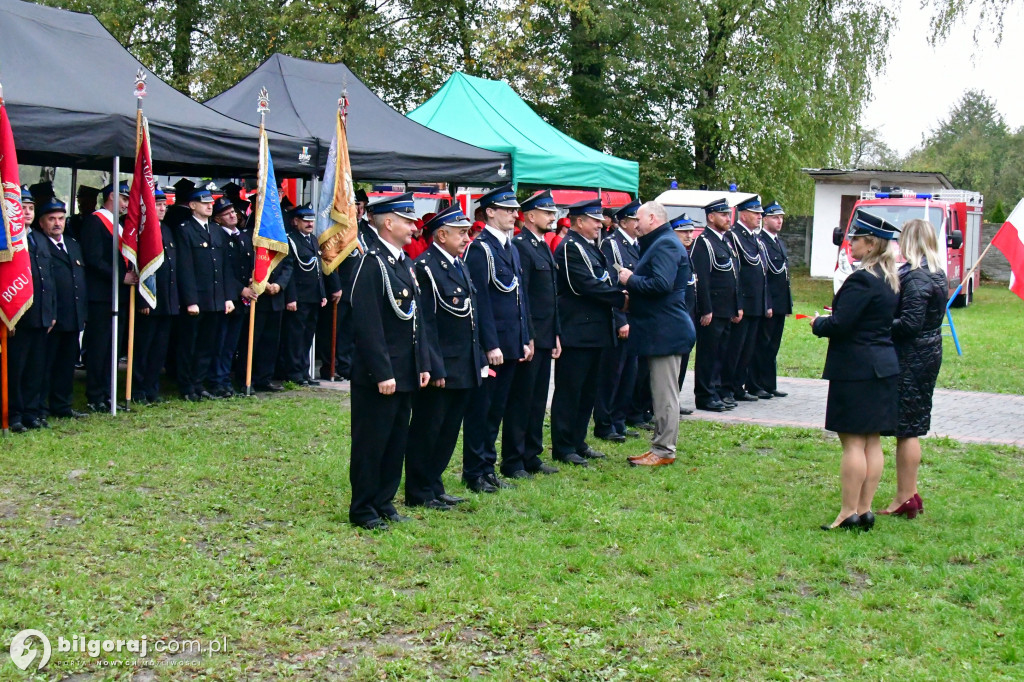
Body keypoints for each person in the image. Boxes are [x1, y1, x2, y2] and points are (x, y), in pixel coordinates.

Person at [811, 209, 901, 531]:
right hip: (882, 366)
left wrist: (817, 324)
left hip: (857, 369)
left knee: (852, 443)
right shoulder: (889, 278)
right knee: (872, 441)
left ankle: (848, 511)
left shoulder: (862, 278)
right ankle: (865, 510)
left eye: (856, 239)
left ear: (871, 243)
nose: (850, 243)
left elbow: (841, 323)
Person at [348, 192, 430, 530]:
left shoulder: (403, 263)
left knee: (396, 439)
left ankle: (385, 501)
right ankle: (363, 507)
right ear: (389, 222)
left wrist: (422, 363)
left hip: (405, 369)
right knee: (372, 441)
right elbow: (368, 325)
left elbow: (417, 319)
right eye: (408, 220)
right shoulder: (371, 263)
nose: (414, 226)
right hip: (379, 374)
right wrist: (382, 371)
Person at [405, 205, 485, 510]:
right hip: (442, 364)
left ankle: (434, 484)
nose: (467, 238)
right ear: (441, 235)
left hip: (463, 362)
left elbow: (470, 318)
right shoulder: (425, 268)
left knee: (449, 429)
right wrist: (433, 365)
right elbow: (425, 323)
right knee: (428, 428)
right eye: (461, 232)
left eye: (466, 232)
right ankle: (419, 489)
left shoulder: (459, 264)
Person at [461, 184, 532, 493]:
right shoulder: (481, 248)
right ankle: (474, 471)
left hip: (512, 341)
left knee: (497, 409)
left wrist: (526, 337)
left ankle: (487, 467)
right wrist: (490, 344)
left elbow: (519, 298)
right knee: (483, 409)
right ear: (490, 212)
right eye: (507, 210)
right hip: (494, 345)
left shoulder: (510, 247)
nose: (513, 214)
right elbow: (481, 302)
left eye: (514, 209)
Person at [618, 202, 696, 466]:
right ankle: (661, 446)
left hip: (666, 331)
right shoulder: (660, 242)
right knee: (662, 392)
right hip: (662, 329)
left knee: (665, 395)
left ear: (652, 218)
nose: (635, 224)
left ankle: (663, 450)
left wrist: (630, 280)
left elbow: (661, 284)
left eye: (637, 219)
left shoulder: (664, 244)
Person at [550, 199, 627, 466]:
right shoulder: (570, 247)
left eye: (600, 219)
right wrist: (620, 298)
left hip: (595, 331)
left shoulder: (589, 247)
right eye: (594, 220)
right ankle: (563, 445)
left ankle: (578, 440)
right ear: (579, 221)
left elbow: (604, 279)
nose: (600, 224)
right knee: (570, 391)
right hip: (577, 330)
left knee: (588, 391)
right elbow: (583, 284)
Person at [880, 218, 948, 518]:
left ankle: (905, 495)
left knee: (907, 428)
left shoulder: (918, 277)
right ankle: (909, 493)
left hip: (913, 355)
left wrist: (878, 324)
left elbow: (909, 324)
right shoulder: (937, 273)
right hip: (927, 351)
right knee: (911, 426)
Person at [504, 190, 562, 478]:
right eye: (547, 213)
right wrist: (527, 335)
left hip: (545, 334)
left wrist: (556, 334)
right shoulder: (521, 246)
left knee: (538, 399)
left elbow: (550, 296)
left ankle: (532, 454)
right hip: (530, 335)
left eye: (553, 213)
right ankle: (513, 459)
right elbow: (522, 297)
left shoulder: (542, 246)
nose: (553, 217)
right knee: (522, 399)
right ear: (530, 216)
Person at [80, 182, 137, 411]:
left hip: (119, 295)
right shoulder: (96, 221)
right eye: (124, 199)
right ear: (112, 196)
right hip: (102, 296)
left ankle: (108, 392)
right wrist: (120, 276)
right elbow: (94, 258)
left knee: (114, 348)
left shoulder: (120, 225)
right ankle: (95, 395)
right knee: (99, 347)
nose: (126, 204)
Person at [175, 187, 233, 401]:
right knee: (189, 344)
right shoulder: (185, 230)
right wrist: (190, 300)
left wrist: (227, 297)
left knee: (207, 345)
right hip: (196, 299)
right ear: (192, 206)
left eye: (211, 203)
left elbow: (224, 266)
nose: (210, 205)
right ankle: (187, 386)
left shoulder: (217, 231)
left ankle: (199, 384)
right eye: (204, 202)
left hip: (215, 298)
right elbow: (185, 267)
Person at [593, 199, 642, 443]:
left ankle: (619, 421)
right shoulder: (612, 244)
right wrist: (620, 319)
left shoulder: (638, 244)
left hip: (636, 318)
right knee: (612, 373)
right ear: (623, 221)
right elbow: (611, 283)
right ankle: (605, 422)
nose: (639, 224)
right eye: (635, 219)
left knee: (629, 374)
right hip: (620, 317)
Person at [8, 189, 56, 432]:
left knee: (36, 369)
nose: (26, 212)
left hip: (41, 316)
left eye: (30, 208)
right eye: (22, 208)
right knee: (16, 369)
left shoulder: (39, 238)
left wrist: (52, 312)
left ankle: (31, 412)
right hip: (18, 318)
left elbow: (49, 280)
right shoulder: (8, 241)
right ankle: (14, 415)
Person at [37, 198, 89, 420]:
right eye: (51, 219)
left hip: (73, 316)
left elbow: (79, 280)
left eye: (60, 218)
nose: (57, 223)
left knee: (66, 366)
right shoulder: (39, 245)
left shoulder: (73, 244)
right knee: (45, 366)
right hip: (52, 318)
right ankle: (40, 408)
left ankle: (63, 406)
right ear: (42, 223)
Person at [691, 198, 741, 412]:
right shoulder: (704, 242)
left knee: (721, 353)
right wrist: (706, 308)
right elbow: (702, 278)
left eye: (728, 214)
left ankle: (716, 390)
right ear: (711, 217)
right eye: (723, 215)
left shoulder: (724, 240)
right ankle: (705, 395)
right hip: (713, 309)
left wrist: (737, 305)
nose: (728, 219)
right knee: (708, 354)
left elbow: (734, 276)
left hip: (726, 308)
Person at [133, 189, 182, 404]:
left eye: (164, 205)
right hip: (149, 299)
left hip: (166, 300)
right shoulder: (142, 231)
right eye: (158, 205)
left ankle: (152, 389)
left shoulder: (167, 230)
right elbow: (142, 267)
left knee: (159, 349)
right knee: (143, 348)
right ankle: (137, 390)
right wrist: (144, 298)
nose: (162, 209)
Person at [724, 195, 771, 402]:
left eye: (760, 214)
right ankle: (727, 386)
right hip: (744, 301)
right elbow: (737, 273)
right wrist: (738, 303)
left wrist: (766, 302)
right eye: (755, 213)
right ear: (743, 214)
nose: (759, 217)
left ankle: (738, 385)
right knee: (735, 348)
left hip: (756, 303)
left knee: (748, 349)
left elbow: (762, 273)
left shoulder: (754, 237)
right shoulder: (734, 236)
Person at [209, 196, 254, 398]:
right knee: (220, 342)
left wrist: (253, 281)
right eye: (226, 213)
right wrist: (240, 289)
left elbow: (249, 265)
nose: (232, 215)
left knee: (232, 344)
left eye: (233, 211)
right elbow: (222, 270)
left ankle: (226, 379)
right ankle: (217, 380)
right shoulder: (218, 237)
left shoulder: (242, 237)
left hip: (243, 298)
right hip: (227, 296)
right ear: (217, 219)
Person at [281, 206, 326, 386]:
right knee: (295, 337)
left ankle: (304, 370)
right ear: (295, 221)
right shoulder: (290, 240)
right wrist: (291, 297)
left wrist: (322, 293)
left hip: (313, 296)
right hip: (299, 296)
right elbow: (289, 271)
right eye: (305, 220)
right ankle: (294, 372)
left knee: (308, 336)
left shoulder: (313, 240)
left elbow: (317, 270)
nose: (309, 223)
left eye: (311, 220)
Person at [752, 201, 792, 398]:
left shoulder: (777, 241)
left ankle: (769, 383)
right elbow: (764, 277)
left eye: (781, 217)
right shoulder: (761, 241)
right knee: (762, 344)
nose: (779, 221)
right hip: (769, 302)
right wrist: (767, 303)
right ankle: (756, 383)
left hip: (780, 302)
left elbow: (783, 276)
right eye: (775, 217)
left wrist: (787, 303)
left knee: (773, 345)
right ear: (765, 219)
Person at [670, 213, 699, 414]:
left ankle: (675, 399)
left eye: (690, 231)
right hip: (676, 317)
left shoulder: (686, 254)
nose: (689, 235)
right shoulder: (673, 254)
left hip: (688, 315)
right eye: (683, 232)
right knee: (672, 365)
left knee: (683, 361)